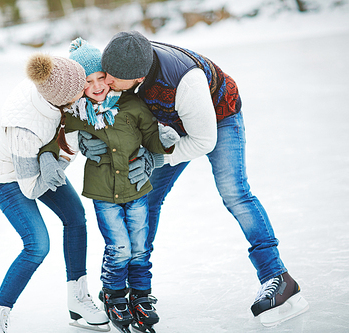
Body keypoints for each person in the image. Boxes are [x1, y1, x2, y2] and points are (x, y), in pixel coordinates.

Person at [78, 31, 309, 327]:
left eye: (110, 78)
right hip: (171, 123)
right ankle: (133, 284)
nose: (105, 82)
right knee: (146, 197)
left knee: (234, 192)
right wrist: (84, 138)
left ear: (136, 78)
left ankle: (278, 277)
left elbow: (203, 141)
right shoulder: (123, 64)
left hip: (217, 118)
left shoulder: (185, 82)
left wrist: (156, 158)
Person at [43, 37, 180, 333]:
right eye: (87, 81)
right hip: (104, 194)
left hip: (137, 188)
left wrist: (164, 143)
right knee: (119, 247)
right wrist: (51, 155)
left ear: (110, 75)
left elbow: (152, 139)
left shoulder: (133, 105)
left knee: (140, 247)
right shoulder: (77, 114)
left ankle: (141, 297)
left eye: (100, 77)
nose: (96, 86)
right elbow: (56, 140)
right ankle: (115, 296)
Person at [0, 53, 109, 333]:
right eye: (80, 89)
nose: (85, 92)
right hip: (6, 177)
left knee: (75, 215)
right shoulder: (24, 126)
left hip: (36, 163)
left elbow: (68, 140)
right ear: (62, 98)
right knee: (37, 244)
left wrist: (58, 156)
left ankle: (77, 298)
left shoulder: (58, 89)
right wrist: (52, 161)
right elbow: (30, 188)